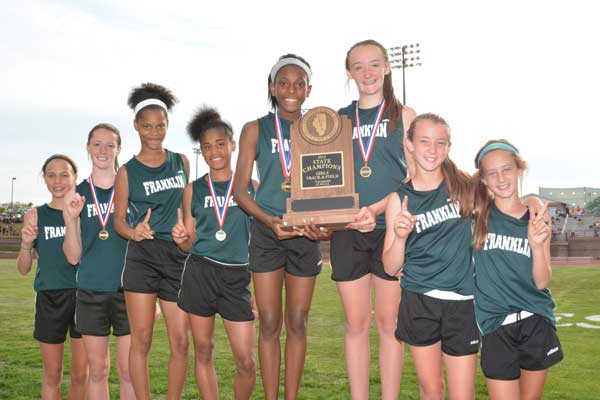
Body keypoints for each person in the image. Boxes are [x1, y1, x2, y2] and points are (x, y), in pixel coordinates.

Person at [233, 53, 333, 399]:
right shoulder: (255, 129)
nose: (291, 89)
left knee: (298, 322)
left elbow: (333, 187)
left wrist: (327, 227)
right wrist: (267, 220)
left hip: (305, 232)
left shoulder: (322, 128)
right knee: (270, 323)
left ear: (309, 90)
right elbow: (240, 190)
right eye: (284, 83)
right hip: (268, 231)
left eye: (299, 83)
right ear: (272, 87)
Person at [331, 39, 415, 400]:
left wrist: (380, 208)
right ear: (349, 72)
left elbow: (414, 179)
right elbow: (325, 178)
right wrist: (342, 213)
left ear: (387, 67)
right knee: (355, 324)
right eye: (359, 66)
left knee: (390, 324)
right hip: (348, 230)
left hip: (390, 230)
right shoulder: (335, 121)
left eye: (374, 64)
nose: (367, 73)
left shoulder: (405, 116)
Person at [382, 113, 478, 400]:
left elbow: (507, 201)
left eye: (440, 142)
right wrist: (400, 237)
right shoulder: (398, 200)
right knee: (431, 388)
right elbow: (390, 266)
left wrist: (532, 200)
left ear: (448, 147)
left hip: (462, 302)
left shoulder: (466, 188)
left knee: (462, 394)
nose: (432, 149)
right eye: (424, 141)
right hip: (419, 300)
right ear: (409, 144)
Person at [173, 107, 256, 399]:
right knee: (203, 351)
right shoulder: (192, 190)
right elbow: (187, 244)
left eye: (220, 144)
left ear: (232, 145)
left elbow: (259, 243)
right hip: (201, 272)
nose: (214, 152)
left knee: (246, 360)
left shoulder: (250, 187)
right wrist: (182, 238)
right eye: (206, 147)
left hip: (236, 277)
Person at [113, 83, 190, 400]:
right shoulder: (127, 172)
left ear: (167, 125)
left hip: (177, 255)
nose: (155, 132)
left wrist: (187, 231)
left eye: (160, 125)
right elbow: (118, 221)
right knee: (140, 340)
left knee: (181, 341)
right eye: (147, 126)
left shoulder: (182, 161)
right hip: (143, 256)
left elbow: (190, 209)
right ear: (136, 126)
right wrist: (135, 232)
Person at [472, 139, 563, 399]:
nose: (501, 178)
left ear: (519, 169)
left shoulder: (537, 217)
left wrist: (536, 245)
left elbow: (542, 281)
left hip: (535, 321)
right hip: (496, 326)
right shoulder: (477, 216)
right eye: (492, 172)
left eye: (507, 169)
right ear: (484, 180)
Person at [62, 123, 134, 399]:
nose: (103, 150)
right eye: (97, 144)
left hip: (129, 291)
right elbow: (72, 256)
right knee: (98, 370)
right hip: (91, 290)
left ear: (118, 149)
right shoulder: (76, 194)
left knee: (129, 371)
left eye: (110, 145)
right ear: (88, 148)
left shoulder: (131, 189)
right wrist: (70, 220)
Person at [17, 154, 89, 399]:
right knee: (52, 374)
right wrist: (26, 244)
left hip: (85, 296)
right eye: (51, 175)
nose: (58, 181)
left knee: (82, 374)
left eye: (64, 174)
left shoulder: (86, 212)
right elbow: (23, 268)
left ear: (75, 177)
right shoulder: (36, 215)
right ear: (44, 179)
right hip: (50, 297)